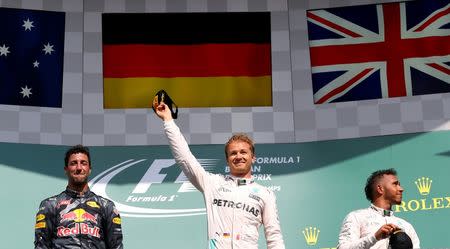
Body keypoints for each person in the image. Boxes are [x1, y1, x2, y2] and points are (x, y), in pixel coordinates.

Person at [154, 102, 285, 249]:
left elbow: (274, 236)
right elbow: (185, 158)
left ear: (253, 158)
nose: (238, 156)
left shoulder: (265, 194)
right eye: (233, 153)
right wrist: (168, 121)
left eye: (243, 152)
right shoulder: (212, 183)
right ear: (227, 159)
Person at [34, 145, 123, 249]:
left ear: (89, 169)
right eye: (73, 163)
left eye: (83, 163)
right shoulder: (50, 205)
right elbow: (41, 246)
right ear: (66, 169)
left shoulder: (106, 206)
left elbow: (116, 246)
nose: (79, 168)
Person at [337, 168, 420, 249]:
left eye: (399, 184)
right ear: (380, 189)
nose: (401, 189)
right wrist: (375, 237)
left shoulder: (406, 226)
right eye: (395, 184)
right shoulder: (356, 217)